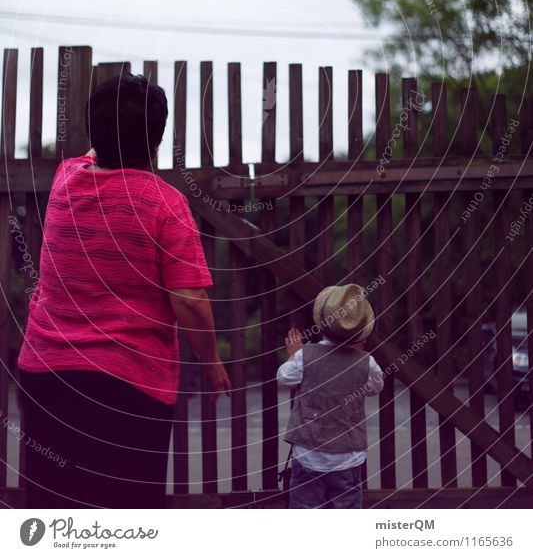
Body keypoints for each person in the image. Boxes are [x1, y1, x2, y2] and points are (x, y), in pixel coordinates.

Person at [18, 73, 230, 509]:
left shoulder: (66, 179)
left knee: (54, 509)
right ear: (156, 141)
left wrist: (110, 128)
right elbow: (189, 302)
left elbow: (97, 149)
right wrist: (211, 363)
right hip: (127, 386)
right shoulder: (165, 204)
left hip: (45, 375)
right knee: (124, 514)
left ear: (92, 132)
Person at [277, 284, 384, 509]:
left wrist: (294, 355)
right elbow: (376, 387)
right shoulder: (366, 362)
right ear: (360, 331)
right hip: (348, 456)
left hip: (308, 454)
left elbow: (284, 378)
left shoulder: (305, 356)